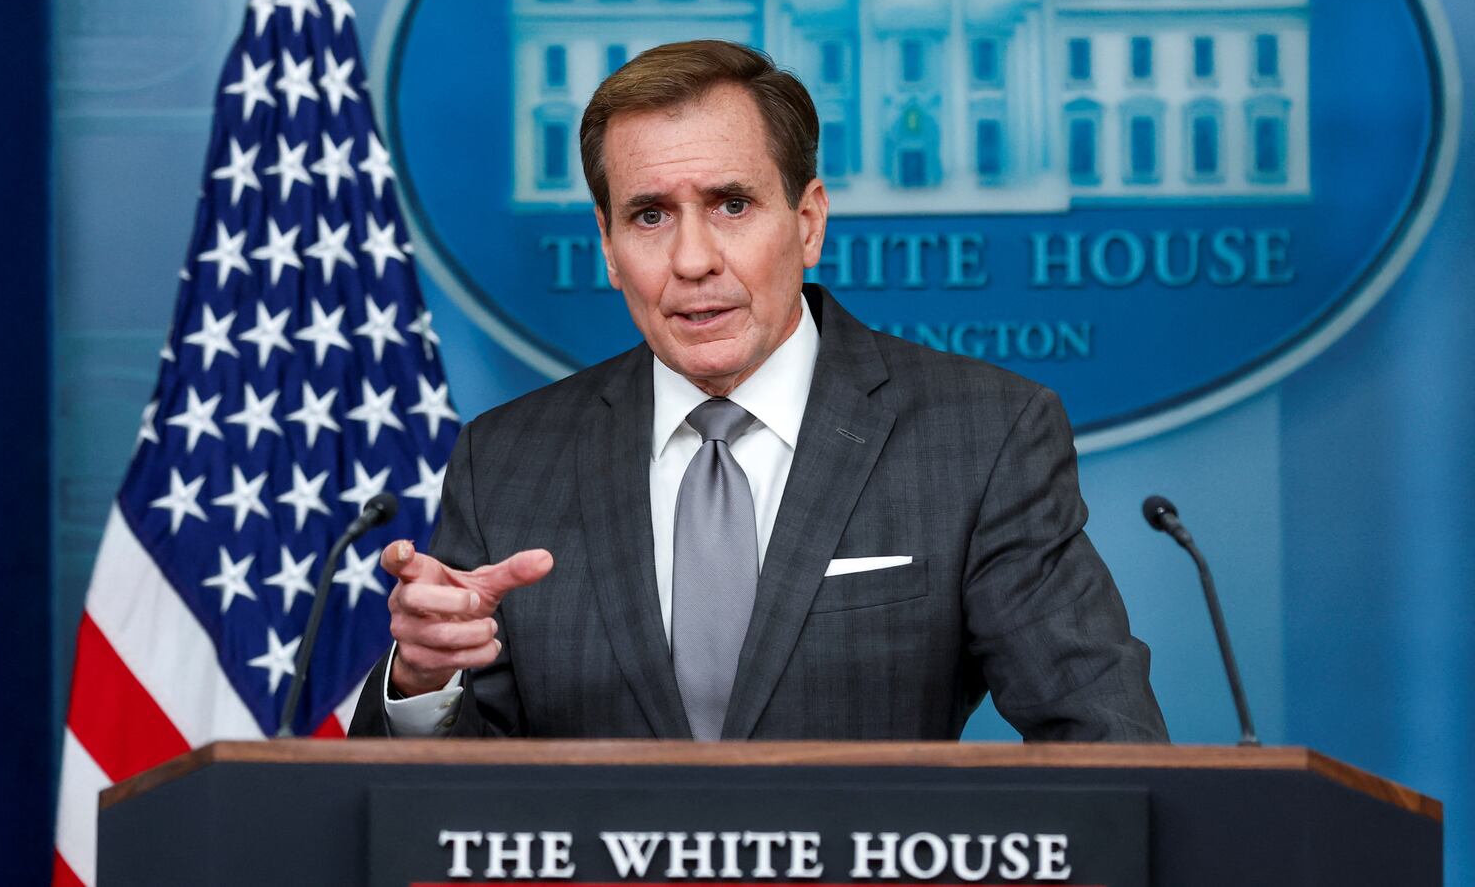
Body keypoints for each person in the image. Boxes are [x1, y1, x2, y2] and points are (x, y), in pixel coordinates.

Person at [347, 39, 1167, 741]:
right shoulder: (507, 459)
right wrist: (423, 681)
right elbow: (432, 809)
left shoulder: (982, 435)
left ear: (808, 221)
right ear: (605, 244)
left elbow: (1102, 737)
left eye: (731, 204)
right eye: (649, 216)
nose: (694, 259)